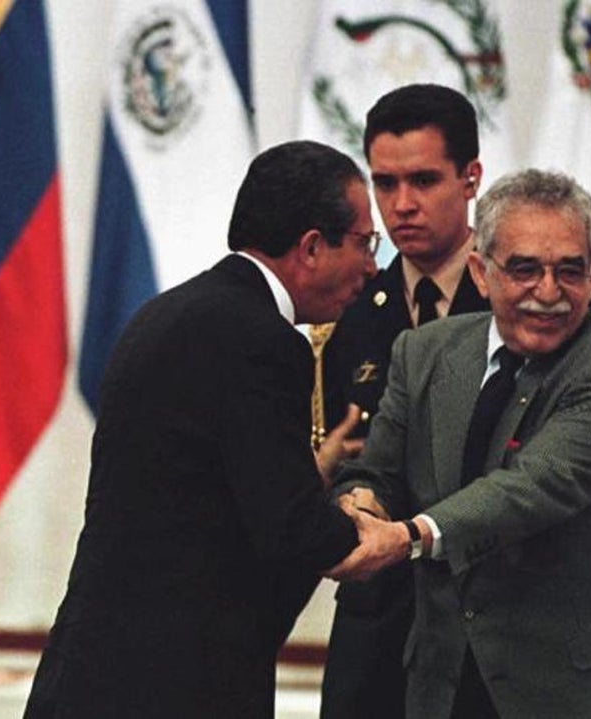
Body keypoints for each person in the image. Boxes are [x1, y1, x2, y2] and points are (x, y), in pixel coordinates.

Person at [24, 140, 385, 718]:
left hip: (93, 669)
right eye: (366, 243)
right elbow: (292, 530)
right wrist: (393, 532)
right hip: (180, 683)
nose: (372, 265)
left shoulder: (168, 312)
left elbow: (205, 489)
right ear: (312, 247)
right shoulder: (263, 342)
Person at [327, 169, 591, 717]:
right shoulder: (423, 352)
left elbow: (528, 489)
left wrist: (406, 536)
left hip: (577, 693)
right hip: (446, 687)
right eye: (525, 270)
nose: (549, 293)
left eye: (570, 271)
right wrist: (361, 505)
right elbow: (377, 469)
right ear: (481, 273)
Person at [318, 83, 489, 719]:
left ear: (471, 178)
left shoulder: (521, 306)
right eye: (385, 184)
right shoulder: (354, 313)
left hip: (488, 625)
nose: (402, 205)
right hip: (377, 628)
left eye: (423, 180)